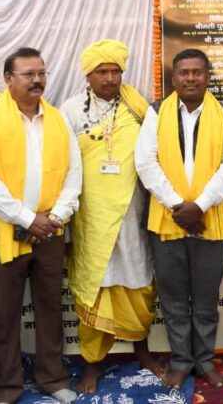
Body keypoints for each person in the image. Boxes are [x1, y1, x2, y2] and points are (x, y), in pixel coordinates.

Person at [0, 47, 82, 404]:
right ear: (8, 79)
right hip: (10, 231)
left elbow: (74, 174)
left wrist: (54, 217)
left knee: (50, 307)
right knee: (4, 313)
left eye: (41, 73)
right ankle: (4, 386)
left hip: (51, 230)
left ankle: (53, 379)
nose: (37, 80)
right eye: (28, 74)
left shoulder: (58, 119)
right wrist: (26, 218)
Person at [134, 48, 223, 389]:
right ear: (174, 78)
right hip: (167, 221)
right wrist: (180, 206)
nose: (191, 78)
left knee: (206, 300)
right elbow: (145, 162)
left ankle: (205, 362)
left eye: (197, 72)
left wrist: (201, 205)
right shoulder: (156, 113)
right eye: (184, 72)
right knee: (174, 299)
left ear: (208, 76)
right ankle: (181, 361)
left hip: (210, 220)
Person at [60, 40, 162, 393]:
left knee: (139, 282)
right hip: (91, 216)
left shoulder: (137, 107)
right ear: (87, 75)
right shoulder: (71, 110)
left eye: (115, 71)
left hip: (133, 214)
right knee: (95, 286)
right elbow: (64, 163)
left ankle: (143, 351)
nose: (109, 78)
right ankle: (92, 363)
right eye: (102, 71)